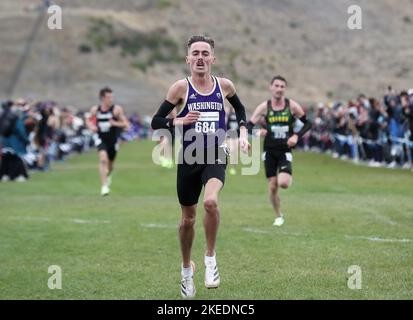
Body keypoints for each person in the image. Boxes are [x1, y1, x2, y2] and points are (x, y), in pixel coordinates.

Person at [151, 35, 250, 299]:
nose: (200, 58)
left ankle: (210, 259)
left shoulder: (224, 86)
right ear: (188, 60)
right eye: (195, 53)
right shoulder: (180, 89)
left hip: (216, 153)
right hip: (189, 159)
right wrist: (178, 121)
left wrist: (242, 132)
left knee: (210, 203)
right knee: (187, 220)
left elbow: (241, 110)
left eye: (205, 53)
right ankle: (186, 270)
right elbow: (156, 121)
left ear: (213, 59)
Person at [247, 75, 311, 226]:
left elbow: (308, 123)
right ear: (271, 88)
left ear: (285, 89)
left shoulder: (291, 106)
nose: (279, 89)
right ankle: (278, 215)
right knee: (272, 185)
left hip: (284, 150)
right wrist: (257, 133)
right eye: (276, 86)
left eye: (282, 86)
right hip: (269, 151)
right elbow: (249, 125)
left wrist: (296, 136)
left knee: (283, 183)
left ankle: (286, 174)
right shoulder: (264, 107)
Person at [87, 87, 129, 196]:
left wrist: (115, 124)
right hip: (100, 138)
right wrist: (91, 126)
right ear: (102, 98)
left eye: (112, 97)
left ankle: (108, 175)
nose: (111, 99)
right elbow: (88, 119)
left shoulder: (116, 109)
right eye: (108, 97)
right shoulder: (95, 110)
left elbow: (126, 125)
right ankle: (104, 186)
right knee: (103, 159)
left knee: (110, 166)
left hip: (113, 140)